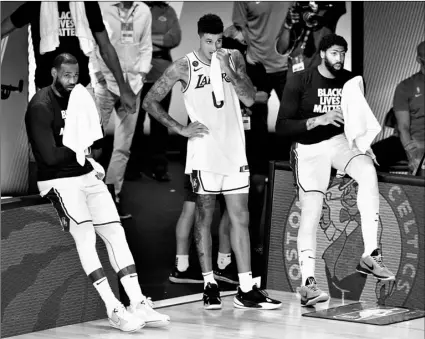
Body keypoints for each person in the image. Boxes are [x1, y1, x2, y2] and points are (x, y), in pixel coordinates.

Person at [143, 14, 282, 310]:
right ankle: (209, 284)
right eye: (209, 41)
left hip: (234, 151)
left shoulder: (233, 57)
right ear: (199, 37)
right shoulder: (184, 65)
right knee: (204, 218)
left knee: (240, 218)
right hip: (204, 154)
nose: (213, 47)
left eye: (218, 41)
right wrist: (179, 128)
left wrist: (231, 72)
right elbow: (150, 101)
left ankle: (246, 289)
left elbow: (248, 99)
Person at [25, 53, 169, 332]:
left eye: (75, 75)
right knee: (87, 236)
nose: (71, 80)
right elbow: (50, 156)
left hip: (84, 174)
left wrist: (85, 154)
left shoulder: (81, 96)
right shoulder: (40, 105)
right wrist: (81, 149)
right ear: (54, 73)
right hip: (57, 181)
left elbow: (98, 143)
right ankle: (113, 307)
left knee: (115, 232)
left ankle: (137, 301)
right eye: (65, 75)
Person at [275, 34, 395, 307]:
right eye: (334, 53)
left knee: (368, 172)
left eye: (343, 53)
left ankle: (370, 255)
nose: (339, 58)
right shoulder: (299, 80)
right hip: (307, 148)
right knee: (312, 210)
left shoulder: (351, 81)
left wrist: (364, 145)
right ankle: (307, 284)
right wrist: (321, 119)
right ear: (321, 53)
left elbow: (356, 122)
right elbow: (282, 127)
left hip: (339, 142)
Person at [1, 1, 136, 114]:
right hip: (47, 93)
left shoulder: (87, 4)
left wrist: (123, 89)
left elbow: (106, 47)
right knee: (48, 144)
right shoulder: (37, 4)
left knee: (92, 144)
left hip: (81, 90)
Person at [90, 1, 152, 219]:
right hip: (105, 84)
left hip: (133, 86)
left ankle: (112, 197)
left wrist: (141, 76)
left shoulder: (143, 10)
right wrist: (98, 74)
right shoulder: (101, 7)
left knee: (123, 147)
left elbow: (146, 46)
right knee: (92, 142)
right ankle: (90, 196)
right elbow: (92, 44)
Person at [126, 1, 182, 182]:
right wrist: (158, 39)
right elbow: (128, 39)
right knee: (134, 123)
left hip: (161, 75)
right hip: (136, 73)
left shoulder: (168, 11)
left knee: (160, 123)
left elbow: (174, 39)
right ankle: (134, 166)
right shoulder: (130, 9)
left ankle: (159, 167)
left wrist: (145, 38)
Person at [372, 41, 424, 175]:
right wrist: (412, 154)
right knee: (369, 157)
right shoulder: (405, 87)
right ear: (419, 59)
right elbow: (403, 127)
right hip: (410, 140)